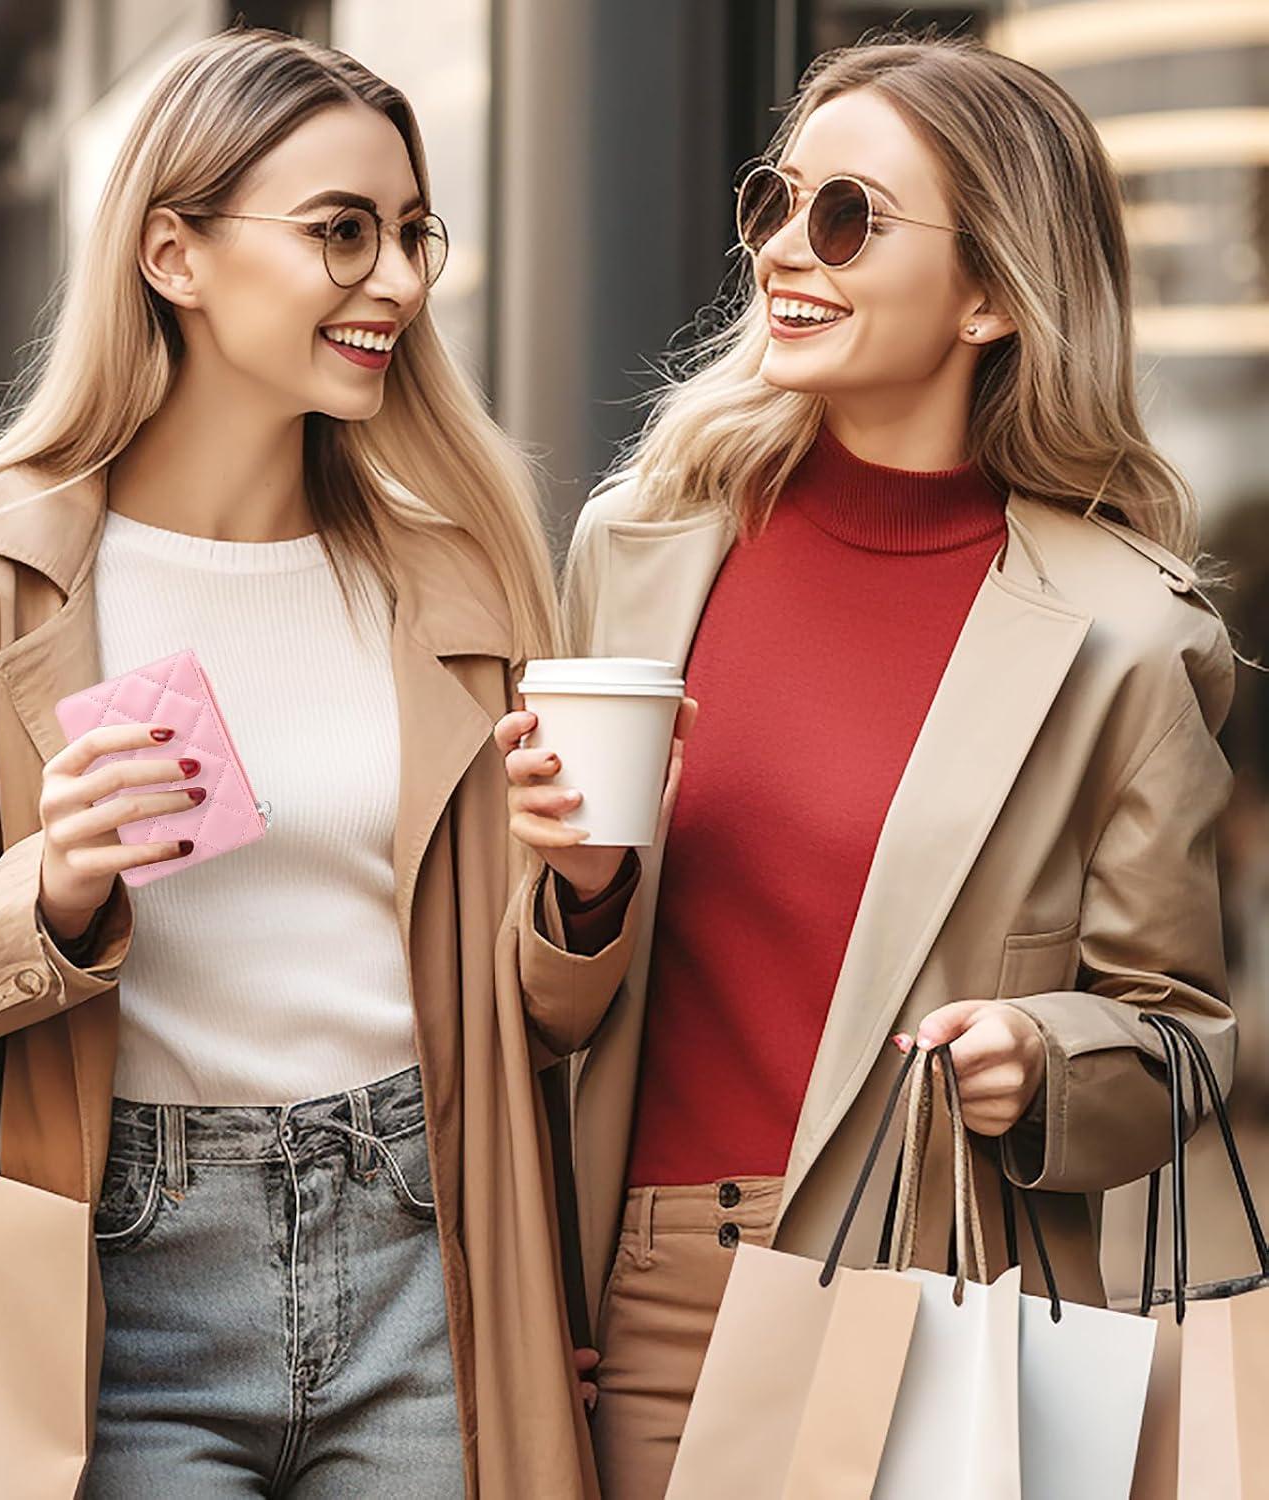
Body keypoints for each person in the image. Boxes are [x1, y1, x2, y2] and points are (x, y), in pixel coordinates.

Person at [0, 28, 623, 1499]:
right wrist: (44, 891)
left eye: (410, 234)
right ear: (173, 254)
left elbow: (541, 1026)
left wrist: (580, 896)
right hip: (118, 1284)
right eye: (341, 232)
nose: (396, 281)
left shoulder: (462, 582)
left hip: (427, 1257)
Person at [498, 32, 1236, 1498]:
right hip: (644, 1299)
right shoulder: (641, 555)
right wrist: (577, 898)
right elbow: (542, 1012)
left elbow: (1180, 1044)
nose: (787, 248)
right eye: (777, 201)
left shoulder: (1128, 637)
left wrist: (1043, 1058)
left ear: (988, 297)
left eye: (848, 219)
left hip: (935, 1300)